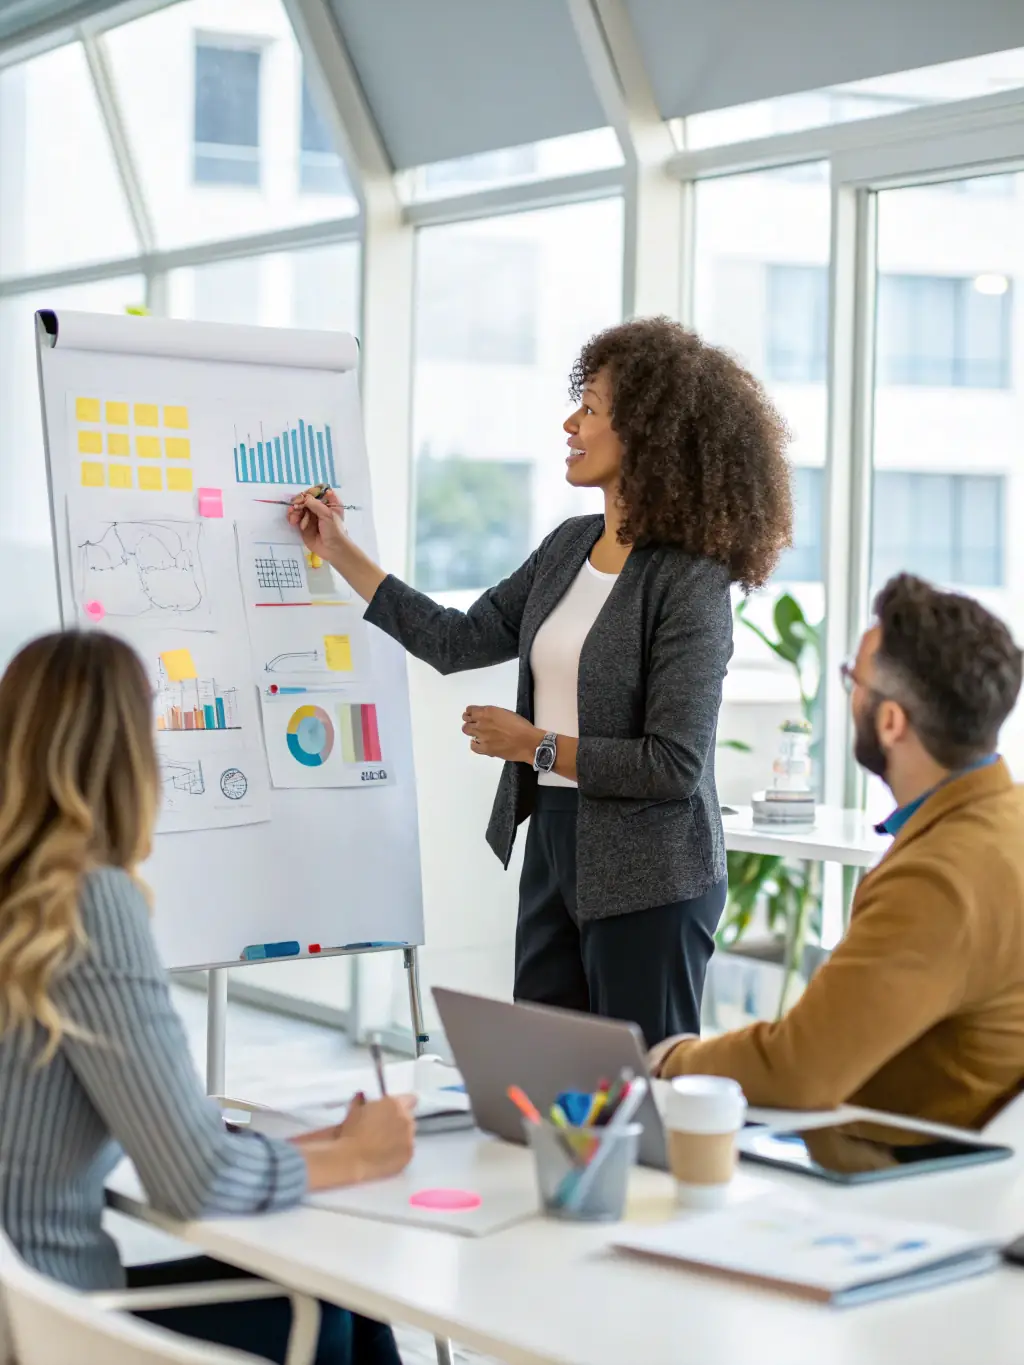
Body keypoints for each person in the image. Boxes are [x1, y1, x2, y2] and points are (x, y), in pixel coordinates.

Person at [289, 318, 793, 1046]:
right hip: (557, 844)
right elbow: (454, 638)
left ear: (647, 431)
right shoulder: (566, 547)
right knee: (546, 1080)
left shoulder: (690, 582)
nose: (571, 421)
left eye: (590, 406)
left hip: (652, 868)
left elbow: (674, 764)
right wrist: (340, 550)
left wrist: (537, 746)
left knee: (636, 1096)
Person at [0, 631, 415, 1365]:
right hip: (56, 1321)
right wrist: (363, 1159)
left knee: (341, 1302)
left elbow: (155, 1129)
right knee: (334, 1308)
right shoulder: (88, 906)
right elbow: (193, 1179)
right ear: (129, 757)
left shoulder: (23, 902)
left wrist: (329, 1144)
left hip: (23, 1310)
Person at [650, 573, 1024, 1131]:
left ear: (891, 721)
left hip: (904, 1175)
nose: (850, 694)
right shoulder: (1002, 822)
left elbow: (797, 1069)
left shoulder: (939, 878)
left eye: (855, 679)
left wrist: (670, 1061)